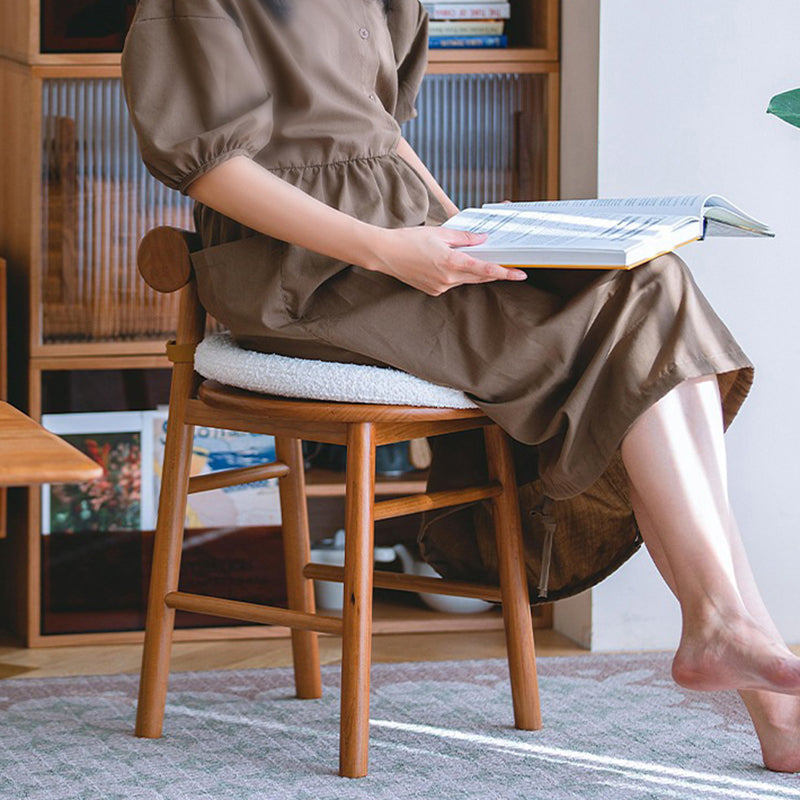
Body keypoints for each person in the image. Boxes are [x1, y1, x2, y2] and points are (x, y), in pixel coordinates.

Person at [121, 0, 800, 772]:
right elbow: (210, 170)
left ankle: (739, 646)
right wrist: (385, 250)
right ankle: (747, 664)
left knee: (656, 286)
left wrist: (475, 231)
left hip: (411, 243)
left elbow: (384, 135)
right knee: (632, 332)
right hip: (301, 269)